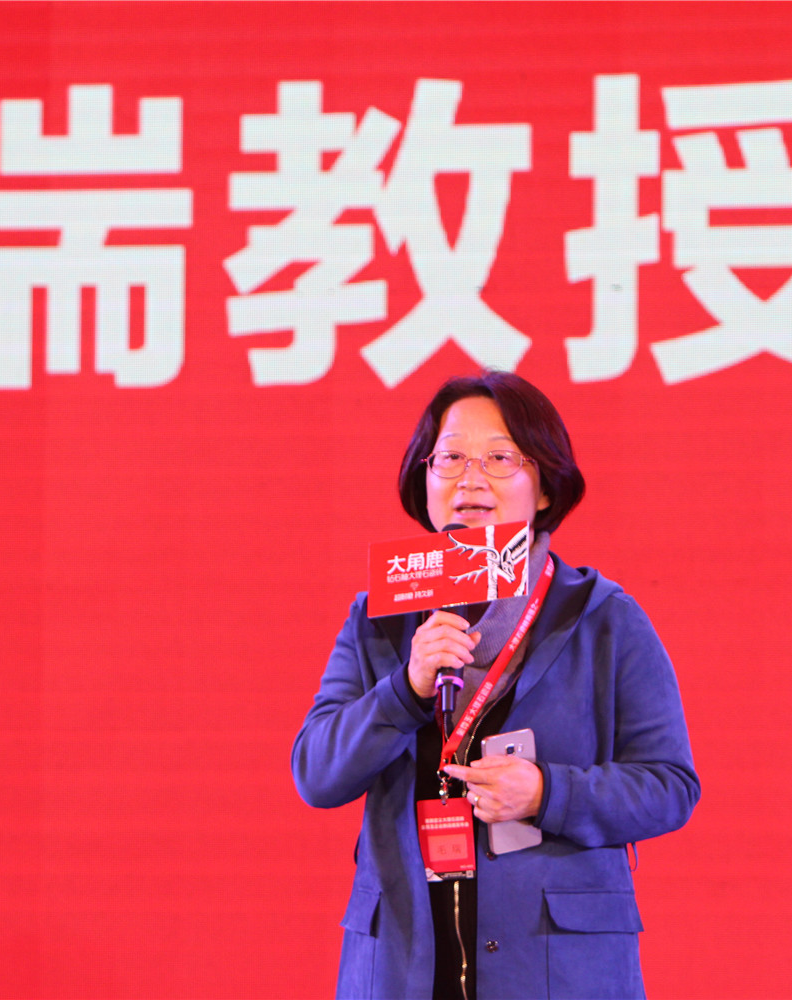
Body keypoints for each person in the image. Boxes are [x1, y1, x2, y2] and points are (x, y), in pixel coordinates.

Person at [292, 371, 699, 1000]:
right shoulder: (380, 616)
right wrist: (405, 690)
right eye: (450, 458)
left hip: (557, 972)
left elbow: (670, 787)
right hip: (403, 967)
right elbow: (316, 773)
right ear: (425, 480)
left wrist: (547, 792)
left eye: (500, 458)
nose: (470, 479)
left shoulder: (604, 618)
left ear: (545, 486)